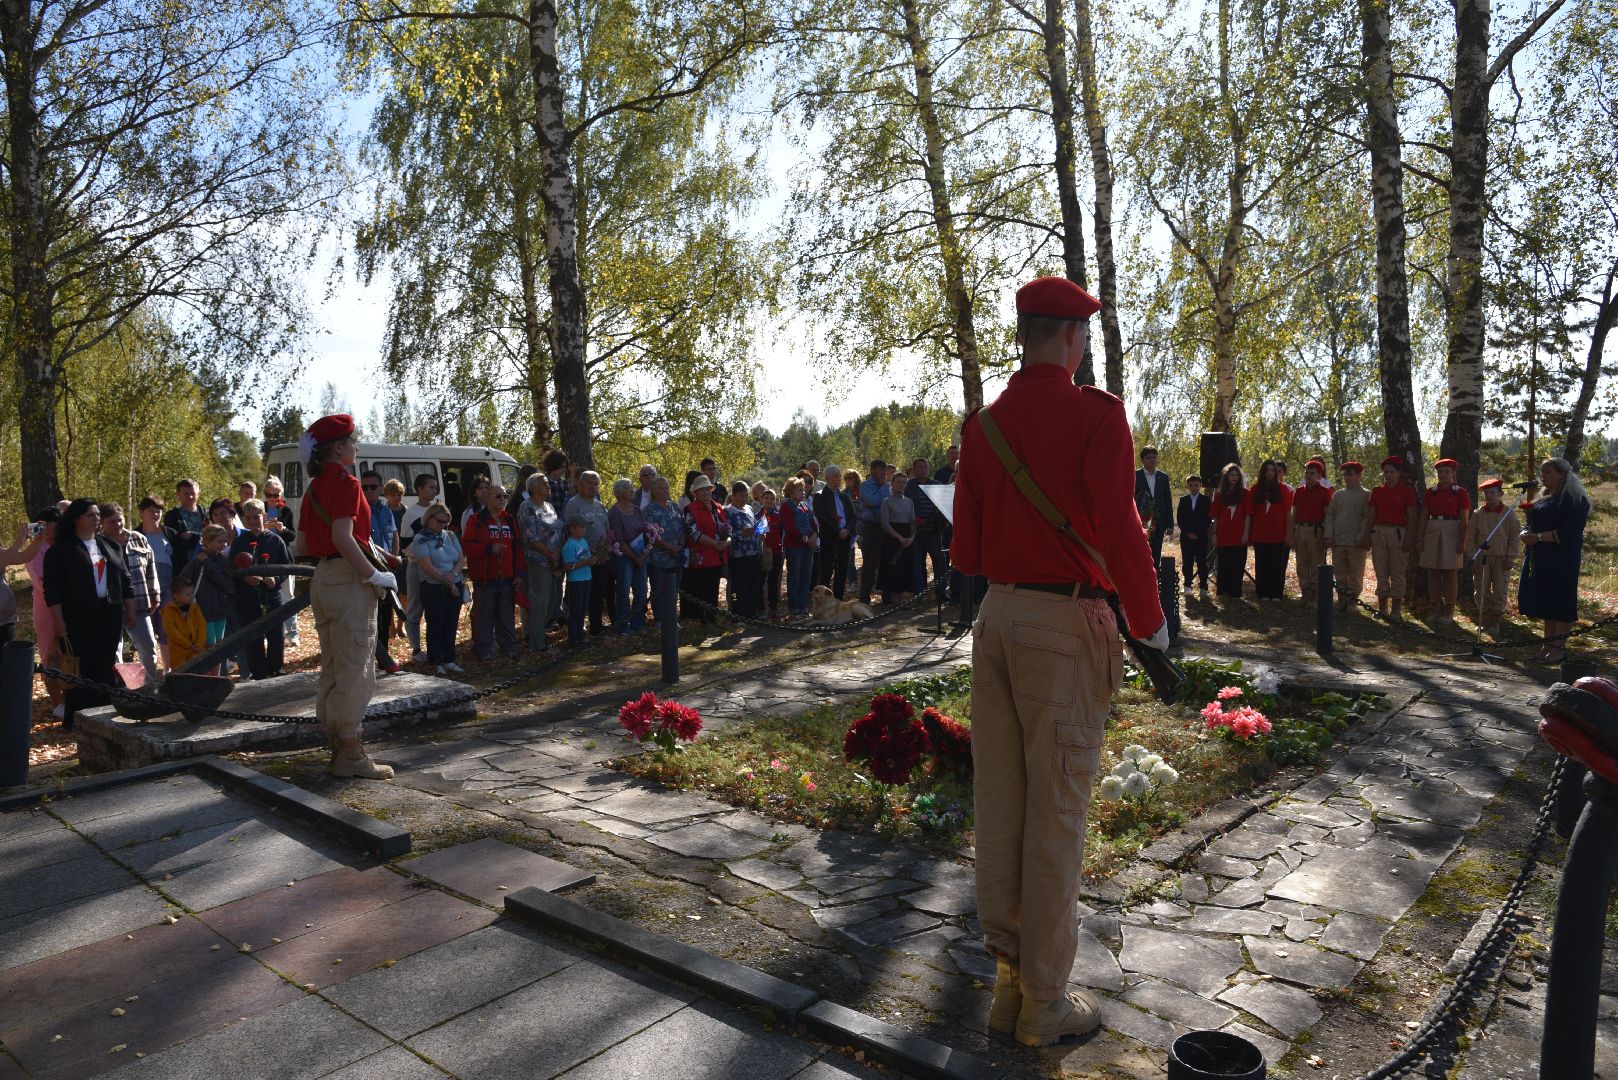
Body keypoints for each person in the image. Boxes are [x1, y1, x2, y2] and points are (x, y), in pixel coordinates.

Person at [952, 275, 1166, 1048]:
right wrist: (1151, 623)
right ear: (1072, 339)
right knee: (1057, 818)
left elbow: (968, 551)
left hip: (997, 617)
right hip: (1066, 617)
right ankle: (1044, 1000)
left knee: (1001, 806)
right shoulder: (1096, 415)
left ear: (1026, 332)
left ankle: (1008, 988)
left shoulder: (986, 427)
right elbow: (1121, 526)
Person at [301, 413, 398, 780]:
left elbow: (303, 544)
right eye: (352, 442)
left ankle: (335, 743)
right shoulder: (347, 482)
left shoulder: (312, 489)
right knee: (357, 668)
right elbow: (343, 536)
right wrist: (372, 572)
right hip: (347, 578)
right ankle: (351, 754)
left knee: (333, 666)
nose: (355, 448)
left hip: (322, 577)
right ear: (339, 448)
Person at [43, 499, 134, 729]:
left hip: (109, 614)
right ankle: (79, 719)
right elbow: (52, 591)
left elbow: (125, 581)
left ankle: (105, 715)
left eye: (96, 514)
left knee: (104, 665)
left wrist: (130, 611)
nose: (95, 518)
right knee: (82, 669)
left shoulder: (110, 546)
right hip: (78, 617)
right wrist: (59, 622)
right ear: (76, 519)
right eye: (90, 515)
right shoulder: (61, 550)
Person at [1519, 457, 1590, 664]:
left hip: (1562, 558)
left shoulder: (1575, 499)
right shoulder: (1545, 498)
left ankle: (1559, 649)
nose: (1542, 475)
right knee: (1547, 601)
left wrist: (1539, 537)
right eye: (1542, 471)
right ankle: (1547, 646)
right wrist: (1525, 533)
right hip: (1541, 557)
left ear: (1561, 473)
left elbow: (1571, 531)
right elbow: (1531, 522)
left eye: (1547, 471)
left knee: (1560, 601)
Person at [228, 500, 290, 679]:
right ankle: (259, 674)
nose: (253, 521)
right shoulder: (240, 543)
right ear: (244, 520)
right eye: (248, 518)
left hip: (272, 597)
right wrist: (244, 576)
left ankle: (276, 670)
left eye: (256, 517)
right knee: (253, 638)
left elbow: (286, 566)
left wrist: (276, 578)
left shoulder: (275, 540)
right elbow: (232, 569)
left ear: (264, 516)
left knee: (276, 637)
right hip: (248, 598)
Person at [101, 503, 161, 682]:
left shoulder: (138, 538)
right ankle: (121, 687)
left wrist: (155, 592)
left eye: (120, 520)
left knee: (148, 645)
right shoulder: (98, 543)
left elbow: (151, 567)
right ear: (103, 523)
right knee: (114, 648)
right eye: (112, 522)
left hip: (140, 602)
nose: (117, 525)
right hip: (111, 605)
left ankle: (149, 685)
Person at [463, 483, 522, 661]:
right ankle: (484, 649)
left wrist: (520, 573)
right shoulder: (476, 520)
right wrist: (488, 549)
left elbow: (518, 547)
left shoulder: (509, 520)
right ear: (488, 498)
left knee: (506, 615)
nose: (503, 500)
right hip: (485, 579)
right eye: (498, 496)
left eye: (505, 496)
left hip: (507, 577)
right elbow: (466, 545)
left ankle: (508, 647)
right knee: (484, 615)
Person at [413, 503, 467, 674]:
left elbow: (460, 558)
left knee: (451, 623)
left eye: (446, 522)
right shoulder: (420, 539)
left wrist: (454, 574)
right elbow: (427, 565)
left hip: (454, 582)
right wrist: (448, 581)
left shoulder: (450, 535)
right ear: (429, 519)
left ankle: (450, 659)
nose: (443, 525)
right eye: (439, 521)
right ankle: (436, 660)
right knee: (436, 623)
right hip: (433, 586)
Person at [1417, 457, 1470, 628]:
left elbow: (1464, 519)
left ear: (1453, 473)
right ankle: (1434, 609)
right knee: (1433, 572)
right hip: (1433, 529)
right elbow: (1424, 516)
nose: (1443, 475)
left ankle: (1449, 611)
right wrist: (1420, 537)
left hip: (1452, 530)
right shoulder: (1431, 492)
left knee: (1450, 573)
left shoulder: (1460, 493)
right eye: (1440, 472)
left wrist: (1462, 541)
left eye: (1447, 472)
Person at [1465, 478, 1521, 638]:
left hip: (1501, 558)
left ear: (1500, 494)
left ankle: (1496, 619)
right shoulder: (1478, 513)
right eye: (1486, 493)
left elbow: (1514, 537)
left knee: (1500, 589)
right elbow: (1470, 537)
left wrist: (1510, 557)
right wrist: (1472, 556)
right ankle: (1484, 617)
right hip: (1482, 557)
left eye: (1492, 492)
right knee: (1481, 589)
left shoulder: (1508, 514)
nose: (1489, 496)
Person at [360, 470, 403, 675]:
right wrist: (390, 559)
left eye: (373, 486)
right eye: (364, 487)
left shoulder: (386, 511)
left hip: (386, 570)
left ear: (380, 488)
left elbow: (394, 535)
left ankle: (383, 661)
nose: (369, 490)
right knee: (369, 618)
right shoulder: (359, 511)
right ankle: (369, 661)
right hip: (368, 571)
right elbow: (366, 544)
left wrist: (393, 558)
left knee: (385, 617)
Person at [175, 524, 235, 669]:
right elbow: (182, 582)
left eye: (225, 541)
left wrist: (208, 563)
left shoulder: (223, 561)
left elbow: (227, 585)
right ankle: (208, 679)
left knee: (219, 647)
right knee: (209, 648)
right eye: (219, 541)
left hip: (219, 610)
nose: (223, 545)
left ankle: (217, 678)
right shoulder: (196, 562)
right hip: (203, 611)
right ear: (207, 541)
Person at [1366, 455, 1419, 619]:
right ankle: (1382, 609)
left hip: (1398, 533)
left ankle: (1396, 610)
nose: (1388, 475)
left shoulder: (1406, 492)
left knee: (1397, 572)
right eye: (1386, 472)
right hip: (1379, 532)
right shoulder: (1377, 491)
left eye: (1392, 472)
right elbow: (1371, 515)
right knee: (1380, 570)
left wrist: (1410, 538)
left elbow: (1412, 516)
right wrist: (1367, 535)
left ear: (1398, 473)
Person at [26, 507, 66, 715]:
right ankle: (57, 702)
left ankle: (70, 695)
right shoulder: (35, 550)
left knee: (68, 653)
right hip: (45, 609)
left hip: (67, 608)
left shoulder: (64, 546)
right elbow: (43, 583)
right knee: (49, 653)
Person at [564, 471, 613, 635]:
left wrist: (606, 547)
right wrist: (590, 552)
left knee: (599, 593)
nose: (593, 487)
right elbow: (571, 528)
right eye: (589, 483)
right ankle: (577, 631)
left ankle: (596, 626)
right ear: (579, 483)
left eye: (596, 484)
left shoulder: (599, 505)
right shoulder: (574, 503)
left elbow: (606, 528)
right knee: (582, 596)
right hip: (584, 558)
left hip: (601, 556)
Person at [518, 473, 562, 651]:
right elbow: (530, 537)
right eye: (544, 483)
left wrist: (557, 554)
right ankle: (537, 644)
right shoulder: (527, 506)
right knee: (539, 602)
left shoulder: (549, 506)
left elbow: (557, 531)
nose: (548, 485)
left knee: (551, 602)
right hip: (537, 562)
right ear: (533, 488)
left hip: (553, 561)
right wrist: (550, 555)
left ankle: (540, 636)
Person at [398, 472, 439, 662]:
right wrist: (424, 554)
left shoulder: (438, 509)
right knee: (415, 606)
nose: (434, 490)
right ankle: (416, 649)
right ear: (419, 489)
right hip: (416, 567)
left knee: (435, 607)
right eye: (431, 487)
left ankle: (436, 647)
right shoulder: (411, 514)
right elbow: (405, 544)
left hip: (437, 566)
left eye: (435, 487)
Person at [1323, 462, 1370, 613]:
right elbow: (1330, 515)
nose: (1347, 477)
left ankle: (1353, 600)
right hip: (1338, 540)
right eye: (1345, 475)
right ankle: (1341, 599)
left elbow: (1367, 518)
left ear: (1359, 475)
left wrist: (1362, 536)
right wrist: (1329, 534)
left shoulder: (1366, 495)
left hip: (1356, 541)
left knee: (1356, 572)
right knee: (1340, 571)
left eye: (1351, 474)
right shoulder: (1338, 495)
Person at [682, 474, 730, 622]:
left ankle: (712, 617)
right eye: (701, 490)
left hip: (718, 555)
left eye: (708, 489)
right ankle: (701, 619)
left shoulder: (718, 507)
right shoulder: (690, 509)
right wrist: (715, 543)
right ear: (695, 492)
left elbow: (728, 528)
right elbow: (693, 533)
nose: (705, 492)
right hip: (701, 557)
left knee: (713, 588)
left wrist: (727, 541)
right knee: (701, 589)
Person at [607, 477, 651, 634]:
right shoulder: (614, 513)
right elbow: (618, 539)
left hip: (641, 555)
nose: (632, 490)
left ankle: (638, 623)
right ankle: (623, 625)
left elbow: (646, 533)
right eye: (628, 488)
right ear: (619, 492)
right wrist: (634, 557)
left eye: (632, 487)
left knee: (641, 590)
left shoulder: (637, 510)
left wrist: (643, 554)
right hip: (624, 557)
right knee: (624, 591)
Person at [261, 477, 299, 647]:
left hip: (283, 557)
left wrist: (282, 529)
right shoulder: (259, 509)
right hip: (264, 558)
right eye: (269, 494)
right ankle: (268, 633)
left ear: (280, 495)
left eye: (275, 495)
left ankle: (292, 634)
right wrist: (265, 528)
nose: (272, 498)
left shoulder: (286, 511)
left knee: (288, 595)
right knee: (265, 597)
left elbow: (292, 536)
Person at [644, 477, 685, 630]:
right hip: (658, 558)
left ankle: (672, 619)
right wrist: (669, 548)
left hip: (676, 557)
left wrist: (680, 545)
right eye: (662, 488)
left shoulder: (675, 506)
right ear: (653, 491)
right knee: (658, 590)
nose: (665, 490)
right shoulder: (649, 510)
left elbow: (683, 528)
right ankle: (660, 620)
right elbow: (651, 535)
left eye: (667, 487)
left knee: (674, 590)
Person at [1247, 460, 1292, 601]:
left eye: (1273, 470)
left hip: (1278, 534)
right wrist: (1249, 534)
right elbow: (1250, 514)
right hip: (1260, 534)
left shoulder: (1284, 489)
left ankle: (1276, 593)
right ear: (1263, 472)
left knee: (1276, 565)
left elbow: (1288, 514)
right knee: (1262, 564)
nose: (1271, 473)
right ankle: (1263, 593)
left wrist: (1288, 534)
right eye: (1268, 470)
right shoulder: (1255, 489)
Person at [1290, 460, 1333, 606]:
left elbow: (1328, 516)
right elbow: (1294, 514)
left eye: (1312, 473)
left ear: (1319, 475)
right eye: (1307, 472)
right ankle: (1304, 593)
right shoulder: (1299, 491)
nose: (1308, 476)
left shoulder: (1324, 492)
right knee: (1301, 563)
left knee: (1316, 564)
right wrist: (1291, 534)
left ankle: (1314, 597)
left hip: (1316, 530)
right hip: (1301, 529)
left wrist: (1327, 534)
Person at [812, 465, 856, 599]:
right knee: (826, 571)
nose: (839, 478)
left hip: (845, 538)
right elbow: (822, 518)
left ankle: (838, 600)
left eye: (839, 475)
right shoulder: (819, 497)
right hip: (829, 538)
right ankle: (824, 602)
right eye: (836, 476)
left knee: (842, 570)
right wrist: (838, 531)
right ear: (827, 479)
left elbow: (853, 516)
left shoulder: (844, 497)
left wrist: (847, 530)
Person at [908, 458, 948, 603]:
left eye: (925, 467)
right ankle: (919, 594)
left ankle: (941, 593)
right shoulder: (909, 486)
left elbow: (944, 508)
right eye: (920, 467)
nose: (923, 470)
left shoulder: (937, 485)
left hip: (934, 533)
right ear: (914, 470)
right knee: (917, 565)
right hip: (916, 533)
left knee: (940, 564)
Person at [0, 524, 44, 647]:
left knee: (6, 661)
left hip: (6, 620)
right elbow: (3, 562)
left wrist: (39, 539)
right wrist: (20, 539)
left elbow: (22, 557)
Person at [724, 481, 763, 618]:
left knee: (753, 585)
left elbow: (754, 528)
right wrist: (741, 533)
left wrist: (759, 531)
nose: (745, 498)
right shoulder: (727, 512)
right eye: (742, 495)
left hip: (754, 553)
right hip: (738, 555)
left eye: (746, 495)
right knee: (738, 587)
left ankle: (751, 613)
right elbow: (726, 535)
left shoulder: (749, 509)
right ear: (734, 496)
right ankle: (737, 611)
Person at [781, 476, 817, 619]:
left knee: (806, 577)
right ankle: (794, 608)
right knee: (794, 578)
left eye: (803, 490)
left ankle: (804, 607)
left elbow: (813, 525)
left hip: (808, 548)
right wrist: (806, 539)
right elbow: (790, 527)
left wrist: (814, 536)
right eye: (799, 490)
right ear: (791, 491)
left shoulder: (805, 506)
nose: (803, 492)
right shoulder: (786, 506)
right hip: (794, 547)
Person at [1210, 464, 1249, 599]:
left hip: (1239, 535)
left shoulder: (1245, 493)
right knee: (1224, 564)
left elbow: (1248, 515)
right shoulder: (1220, 494)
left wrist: (1246, 533)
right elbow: (1215, 515)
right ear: (1227, 477)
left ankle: (1235, 592)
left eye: (1236, 475)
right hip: (1223, 534)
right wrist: (1215, 534)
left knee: (1237, 564)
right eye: (1231, 475)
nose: (1234, 477)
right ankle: (1222, 591)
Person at [880, 471, 918, 604]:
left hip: (907, 538)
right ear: (892, 483)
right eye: (898, 482)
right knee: (893, 568)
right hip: (892, 539)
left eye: (904, 482)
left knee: (905, 567)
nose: (901, 485)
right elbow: (885, 524)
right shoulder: (887, 501)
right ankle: (893, 598)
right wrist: (899, 537)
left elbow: (913, 522)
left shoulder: (909, 501)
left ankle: (901, 597)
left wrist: (911, 537)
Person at [857, 459, 889, 604]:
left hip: (886, 527)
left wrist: (881, 495)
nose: (883, 473)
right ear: (872, 470)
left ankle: (886, 595)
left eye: (884, 470)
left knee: (886, 562)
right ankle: (864, 597)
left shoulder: (888, 485)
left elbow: (888, 503)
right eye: (880, 470)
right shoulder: (865, 486)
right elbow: (873, 501)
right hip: (871, 527)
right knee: (870, 563)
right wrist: (882, 489)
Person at [1135, 446, 1173, 566]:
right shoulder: (1135, 475)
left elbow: (1168, 501)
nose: (1152, 460)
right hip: (1141, 521)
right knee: (1141, 551)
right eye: (1148, 458)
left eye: (1154, 457)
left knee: (1156, 552)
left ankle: (1154, 581)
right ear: (1142, 460)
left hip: (1159, 520)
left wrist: (1170, 524)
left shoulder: (1163, 477)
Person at [160, 577, 209, 672]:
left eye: (192, 593)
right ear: (176, 595)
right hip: (179, 653)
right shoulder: (168, 610)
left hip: (196, 651)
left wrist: (199, 643)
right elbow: (170, 630)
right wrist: (186, 644)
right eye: (188, 594)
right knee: (182, 677)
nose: (191, 596)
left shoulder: (195, 608)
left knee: (199, 675)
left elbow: (202, 625)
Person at [560, 516, 594, 646]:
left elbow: (587, 558)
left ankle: (580, 636)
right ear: (572, 529)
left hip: (587, 578)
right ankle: (573, 639)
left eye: (585, 527)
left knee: (583, 609)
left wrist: (592, 561)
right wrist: (585, 562)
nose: (584, 529)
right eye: (581, 527)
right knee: (576, 609)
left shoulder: (584, 542)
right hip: (576, 581)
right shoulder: (569, 545)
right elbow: (568, 566)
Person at [1175, 475, 1211, 592]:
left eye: (1196, 485)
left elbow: (1207, 519)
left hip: (1201, 537)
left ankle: (1203, 585)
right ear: (1188, 486)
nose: (1194, 488)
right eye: (1191, 485)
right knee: (1187, 560)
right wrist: (1187, 533)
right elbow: (1180, 520)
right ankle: (1187, 584)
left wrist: (1198, 533)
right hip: (1186, 537)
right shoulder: (1183, 500)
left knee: (1201, 560)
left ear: (1200, 486)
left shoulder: (1206, 500)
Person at [163, 478, 206, 565]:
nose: (190, 496)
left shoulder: (206, 514)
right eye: (186, 493)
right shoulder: (172, 516)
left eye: (192, 493)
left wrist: (191, 535)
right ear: (178, 494)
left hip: (206, 561)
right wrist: (202, 537)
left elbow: (212, 536)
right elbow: (174, 541)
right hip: (182, 564)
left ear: (198, 494)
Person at [758, 487, 784, 617]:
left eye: (772, 499)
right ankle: (761, 608)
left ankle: (773, 607)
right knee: (760, 580)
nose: (769, 501)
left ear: (775, 501)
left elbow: (781, 533)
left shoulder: (779, 516)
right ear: (761, 500)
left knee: (774, 580)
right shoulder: (758, 515)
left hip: (776, 551)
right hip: (762, 552)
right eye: (766, 498)